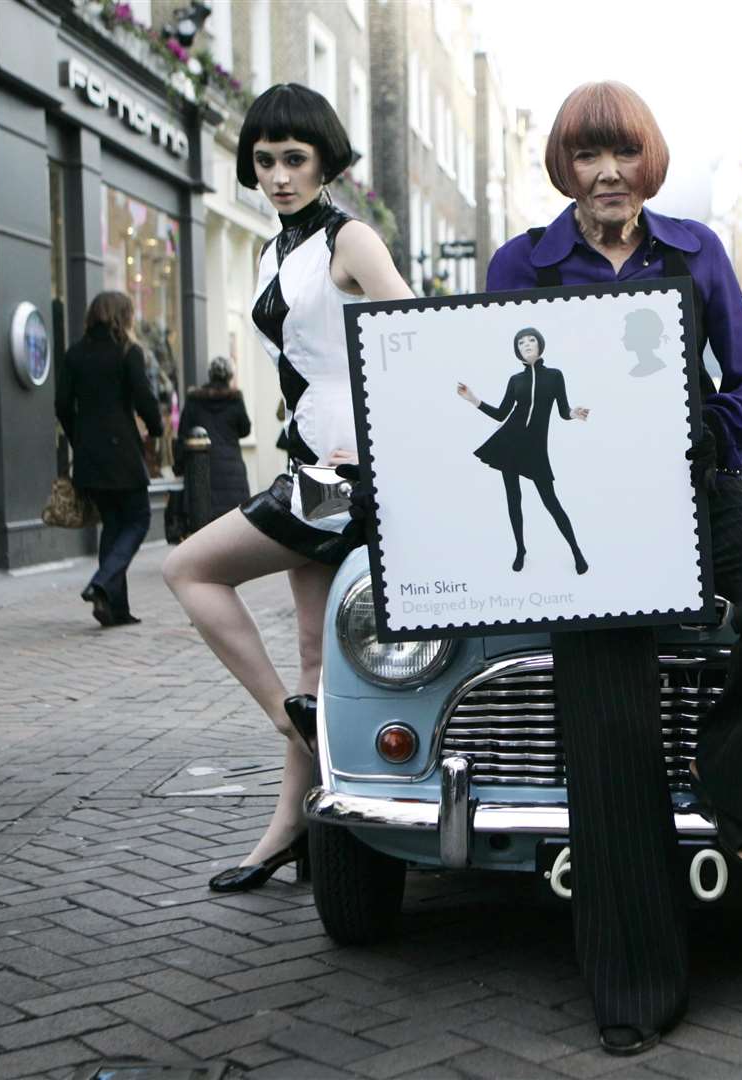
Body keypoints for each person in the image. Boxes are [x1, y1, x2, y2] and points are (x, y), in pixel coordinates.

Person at [484, 81, 742, 1056]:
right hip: (582, 517)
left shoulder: (696, 252)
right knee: (609, 729)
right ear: (565, 167)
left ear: (647, 163)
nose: (606, 173)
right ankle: (633, 989)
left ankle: (728, 774)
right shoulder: (523, 264)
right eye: (587, 156)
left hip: (692, 482)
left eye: (622, 154)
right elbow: (466, 373)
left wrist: (703, 438)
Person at [161, 83, 414, 892]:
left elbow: (419, 338)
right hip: (311, 462)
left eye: (294, 159)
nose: (277, 175)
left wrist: (374, 435)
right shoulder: (277, 251)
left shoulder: (351, 239)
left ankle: (288, 718)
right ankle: (290, 828)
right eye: (264, 160)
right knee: (313, 655)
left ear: (325, 161)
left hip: (346, 474)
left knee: (190, 568)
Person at [56, 291, 164, 628]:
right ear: (123, 316)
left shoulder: (74, 354)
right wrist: (157, 428)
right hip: (122, 452)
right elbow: (143, 396)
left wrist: (79, 439)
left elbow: (61, 405)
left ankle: (113, 608)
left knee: (114, 525)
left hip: (89, 455)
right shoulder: (127, 352)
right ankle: (102, 583)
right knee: (139, 518)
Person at [456, 327, 591, 573]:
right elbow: (501, 413)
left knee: (550, 501)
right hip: (509, 442)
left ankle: (576, 551)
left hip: (536, 448)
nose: (526, 344)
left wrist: (574, 413)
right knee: (513, 499)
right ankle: (520, 549)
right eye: (521, 342)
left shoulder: (554, 376)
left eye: (531, 340)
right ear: (516, 350)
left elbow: (562, 410)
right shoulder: (515, 380)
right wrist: (473, 399)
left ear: (540, 344)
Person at [174, 356, 252, 521]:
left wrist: (179, 467)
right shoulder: (235, 399)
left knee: (204, 523)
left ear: (210, 375)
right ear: (230, 377)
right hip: (232, 473)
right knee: (233, 523)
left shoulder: (194, 400)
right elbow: (245, 429)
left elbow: (182, 435)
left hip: (201, 472)